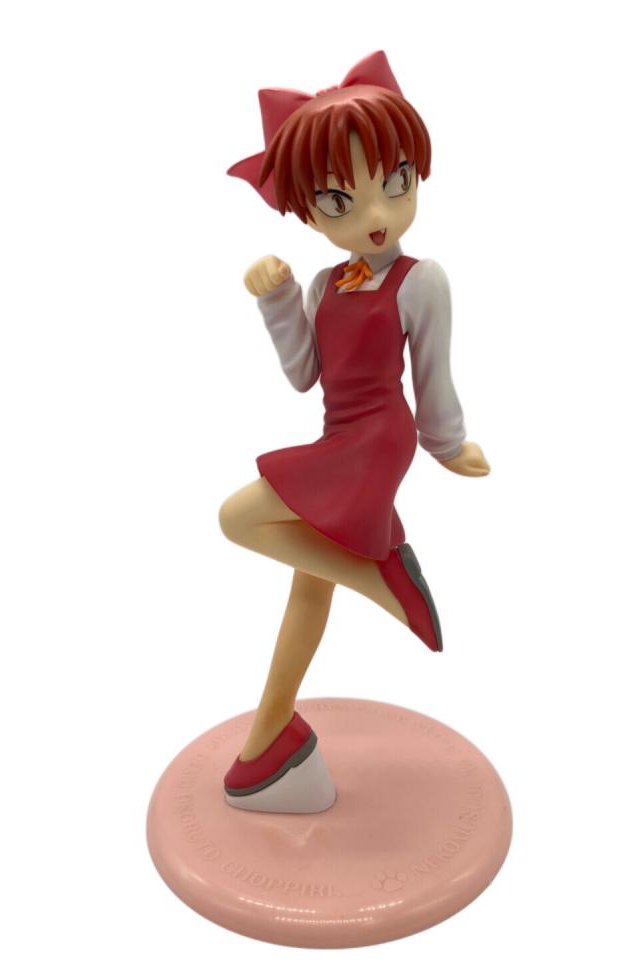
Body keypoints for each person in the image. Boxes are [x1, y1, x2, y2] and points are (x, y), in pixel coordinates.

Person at [220, 51, 490, 813]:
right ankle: (271, 741)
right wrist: (277, 301)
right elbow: (305, 373)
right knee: (307, 588)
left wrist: (448, 445)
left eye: (396, 182)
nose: (376, 213)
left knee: (237, 518)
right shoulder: (324, 284)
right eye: (341, 199)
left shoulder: (420, 280)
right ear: (308, 212)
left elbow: (433, 373)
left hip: (377, 441)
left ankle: (380, 575)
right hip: (336, 434)